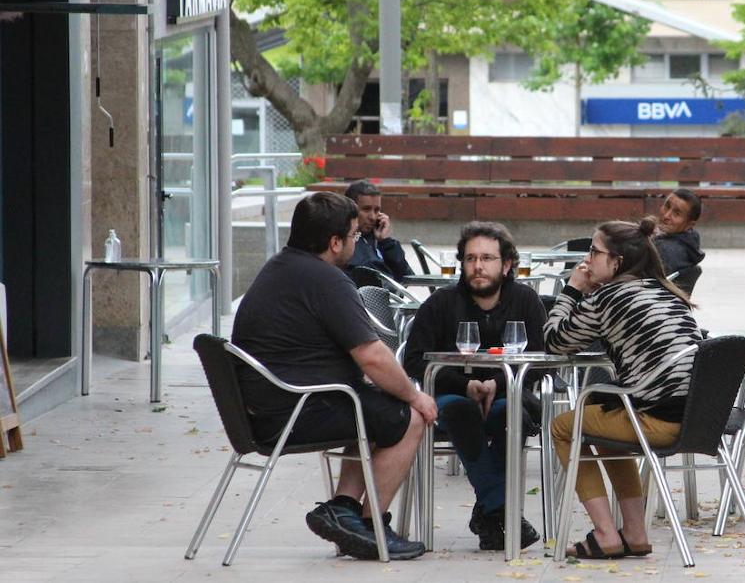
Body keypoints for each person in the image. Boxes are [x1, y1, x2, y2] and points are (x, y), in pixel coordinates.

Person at [231, 191, 439, 561]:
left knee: (370, 407)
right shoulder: (327, 280)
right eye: (356, 235)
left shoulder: (280, 267)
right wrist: (415, 396)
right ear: (334, 242)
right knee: (408, 418)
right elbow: (373, 356)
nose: (357, 242)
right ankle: (374, 527)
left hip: (264, 410)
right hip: (295, 413)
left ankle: (343, 511)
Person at [544, 218, 703, 560]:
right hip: (697, 418)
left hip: (658, 422)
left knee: (562, 427)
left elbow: (555, 341)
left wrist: (572, 289)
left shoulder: (608, 298)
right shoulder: (665, 291)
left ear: (616, 261)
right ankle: (634, 532)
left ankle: (605, 534)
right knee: (604, 419)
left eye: (593, 251)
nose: (586, 260)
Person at [402, 221, 547, 551]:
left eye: (487, 258)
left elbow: (540, 360)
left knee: (509, 414)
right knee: (460, 410)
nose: (478, 266)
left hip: (509, 394)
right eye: (470, 258)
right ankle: (500, 511)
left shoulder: (525, 301)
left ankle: (490, 513)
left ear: (506, 264)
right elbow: (414, 359)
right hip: (453, 395)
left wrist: (497, 383)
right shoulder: (441, 303)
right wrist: (466, 386)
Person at [344, 180, 415, 280]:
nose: (372, 217)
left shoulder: (378, 239)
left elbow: (406, 276)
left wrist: (386, 243)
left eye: (377, 210)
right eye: (366, 209)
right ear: (350, 210)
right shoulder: (345, 242)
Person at [653, 188, 705, 275]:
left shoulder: (664, 251)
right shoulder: (688, 245)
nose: (666, 216)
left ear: (689, 225)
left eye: (677, 213)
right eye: (667, 206)